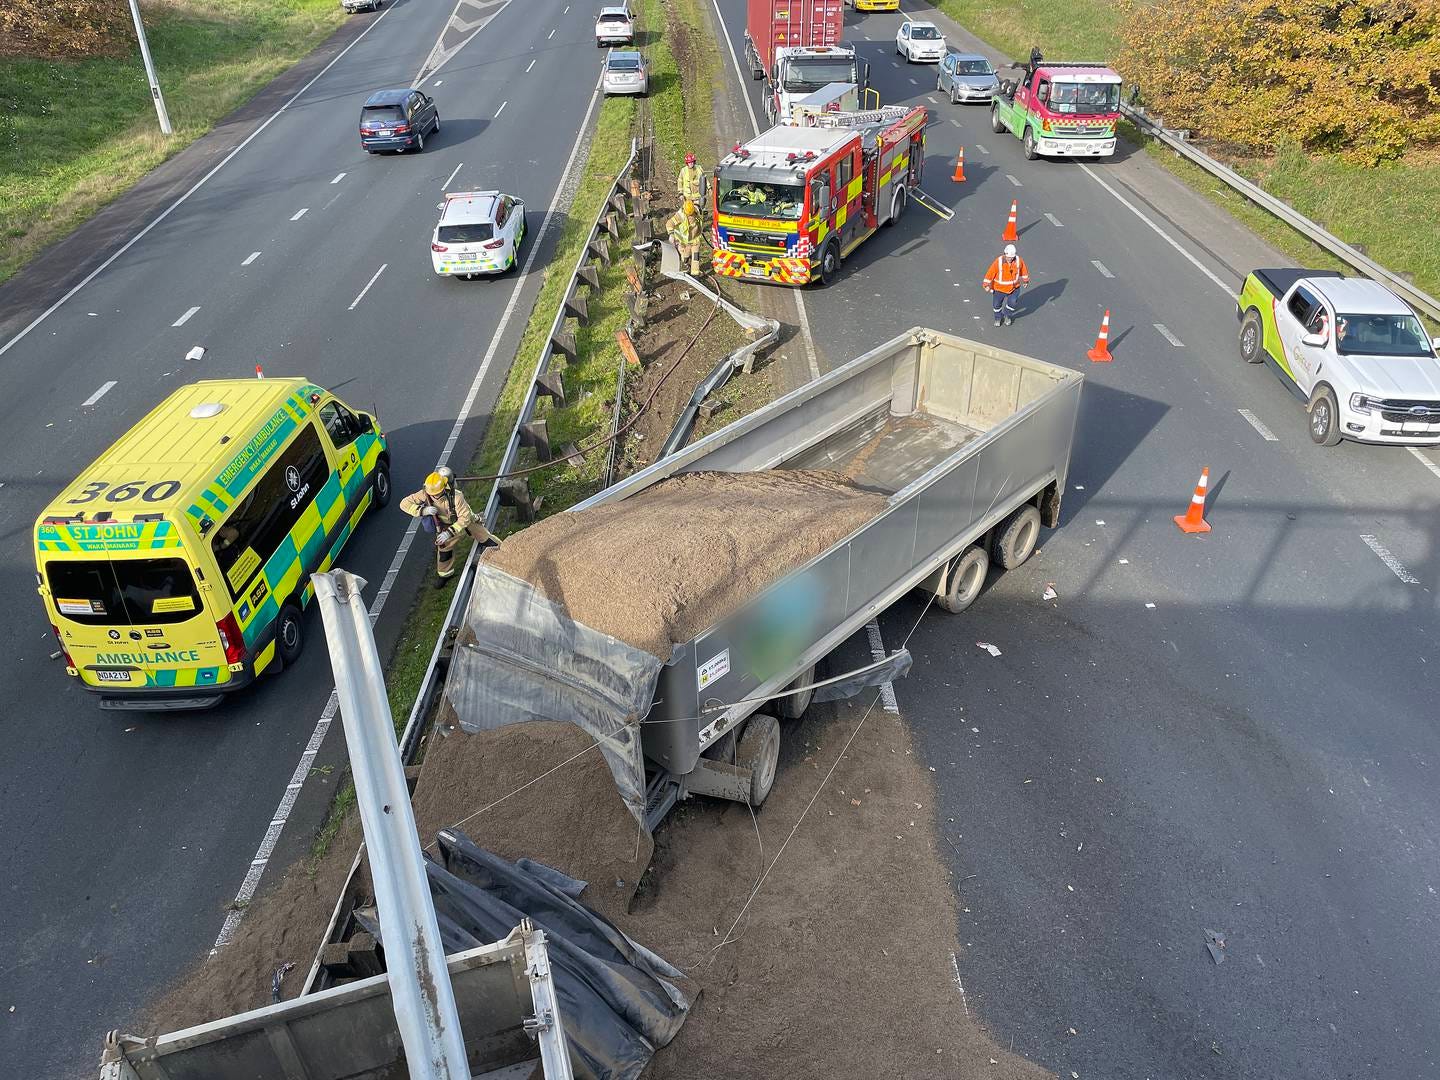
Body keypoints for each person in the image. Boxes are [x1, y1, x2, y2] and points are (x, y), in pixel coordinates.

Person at [399, 468, 497, 587]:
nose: (435, 496)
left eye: (437, 493)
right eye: (432, 494)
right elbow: (404, 504)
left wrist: (449, 533)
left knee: (486, 538)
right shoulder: (425, 494)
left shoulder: (457, 496)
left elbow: (465, 518)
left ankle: (502, 550)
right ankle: (445, 575)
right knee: (444, 553)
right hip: (445, 526)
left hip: (463, 523)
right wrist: (422, 510)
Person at [982, 243, 1030, 326]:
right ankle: (998, 318)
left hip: (1014, 288)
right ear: (1005, 254)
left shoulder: (1019, 261)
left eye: (1012, 257)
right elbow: (990, 273)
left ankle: (1007, 315)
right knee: (996, 305)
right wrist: (986, 284)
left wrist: (1025, 281)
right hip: (999, 289)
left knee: (1012, 303)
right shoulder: (998, 262)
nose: (1010, 259)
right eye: (1008, 257)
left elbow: (1024, 271)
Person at [666, 199, 704, 276]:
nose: (690, 216)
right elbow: (669, 223)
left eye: (691, 214)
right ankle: (685, 264)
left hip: (695, 240)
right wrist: (671, 234)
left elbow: (700, 218)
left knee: (696, 256)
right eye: (688, 214)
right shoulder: (680, 216)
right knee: (685, 255)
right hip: (684, 242)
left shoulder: (696, 211)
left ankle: (695, 273)